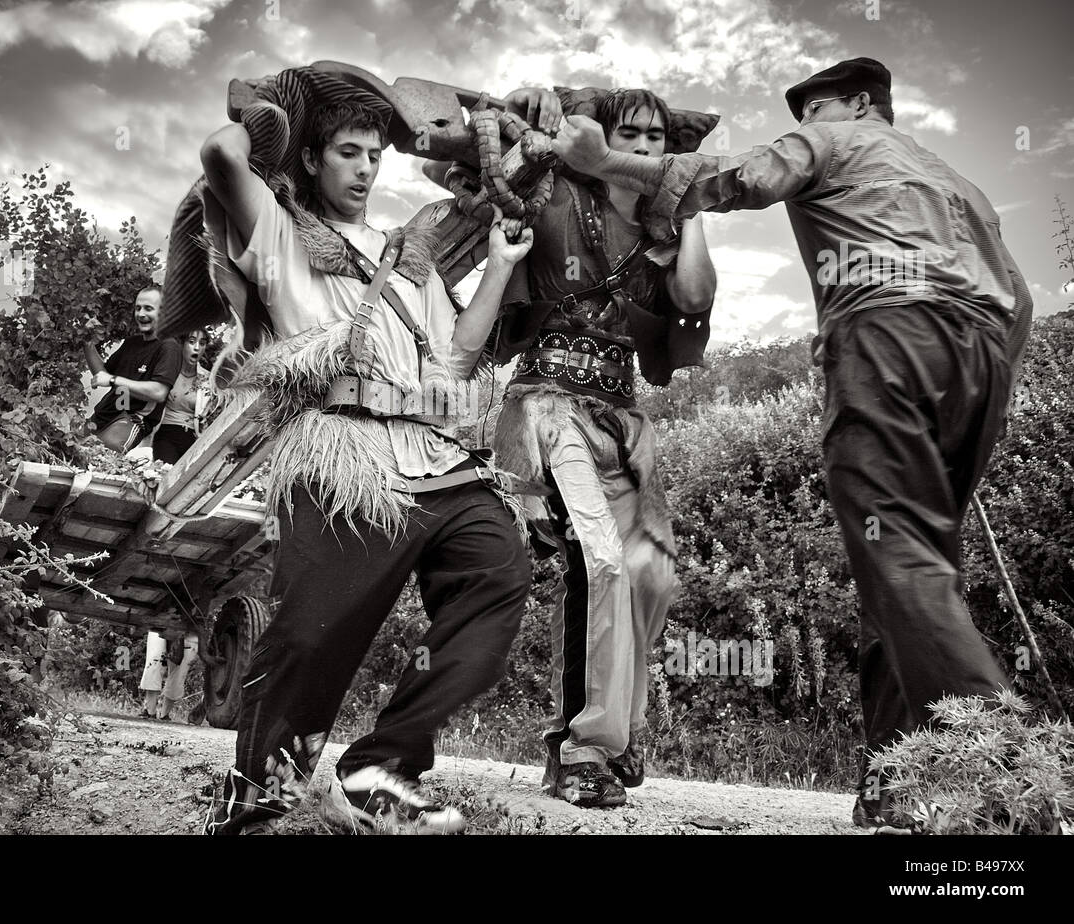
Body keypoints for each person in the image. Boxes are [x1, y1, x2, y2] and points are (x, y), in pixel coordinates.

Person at [551, 57, 1033, 827]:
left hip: (886, 338)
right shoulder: (962, 187)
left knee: (898, 552)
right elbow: (1021, 298)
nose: (805, 125)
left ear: (854, 104)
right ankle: (896, 778)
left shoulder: (838, 142)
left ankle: (1003, 766)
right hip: (981, 362)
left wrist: (603, 161)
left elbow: (740, 173)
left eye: (813, 111)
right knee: (907, 562)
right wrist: (979, 382)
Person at [198, 90, 534, 835]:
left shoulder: (401, 255)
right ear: (312, 159)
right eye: (348, 151)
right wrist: (269, 115)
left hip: (435, 457)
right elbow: (222, 156)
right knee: (310, 637)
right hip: (344, 456)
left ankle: (382, 766)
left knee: (500, 570)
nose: (366, 167)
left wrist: (503, 268)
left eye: (376, 155)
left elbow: (458, 357)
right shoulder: (282, 236)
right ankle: (257, 802)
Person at [488, 86, 717, 807]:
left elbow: (695, 300)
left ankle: (613, 738)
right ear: (608, 137)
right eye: (633, 132)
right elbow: (503, 163)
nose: (648, 145)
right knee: (601, 557)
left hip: (623, 418)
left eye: (659, 137)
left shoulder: (663, 233)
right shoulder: (561, 199)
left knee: (652, 573)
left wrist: (692, 205)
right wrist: (528, 110)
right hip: (548, 407)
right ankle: (582, 748)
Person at [83, 286, 181, 452]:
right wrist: (87, 343)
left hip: (133, 419)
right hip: (103, 414)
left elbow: (158, 392)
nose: (141, 314)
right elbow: (102, 375)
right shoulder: (131, 343)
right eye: (138, 308)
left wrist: (113, 380)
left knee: (99, 456)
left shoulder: (169, 347)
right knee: (68, 453)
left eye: (148, 308)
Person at [152, 328, 211, 464]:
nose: (197, 348)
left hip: (193, 439)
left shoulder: (208, 379)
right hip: (165, 434)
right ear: (182, 344)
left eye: (202, 343)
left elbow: (208, 415)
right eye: (191, 342)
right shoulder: (166, 372)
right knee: (165, 475)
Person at [139, 629, 200, 720]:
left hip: (191, 632)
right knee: (154, 664)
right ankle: (149, 711)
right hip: (158, 626)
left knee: (179, 674)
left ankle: (165, 715)